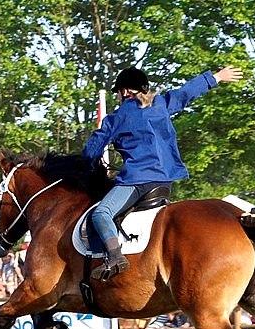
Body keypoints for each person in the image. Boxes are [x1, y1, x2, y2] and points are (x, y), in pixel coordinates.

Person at [82, 65, 243, 280]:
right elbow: (186, 92)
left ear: (125, 92)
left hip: (137, 181)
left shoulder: (117, 117)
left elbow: (91, 151)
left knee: (101, 214)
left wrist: (84, 165)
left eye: (119, 93)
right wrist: (216, 77)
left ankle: (115, 257)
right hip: (165, 181)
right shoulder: (161, 104)